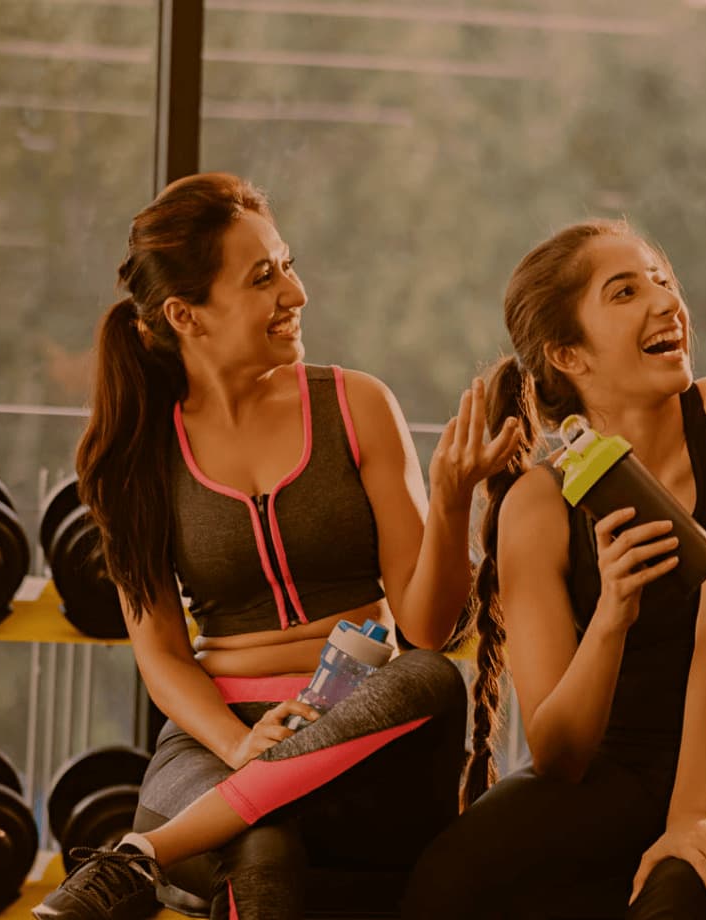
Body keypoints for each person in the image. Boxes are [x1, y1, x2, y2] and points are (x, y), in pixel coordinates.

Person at [35, 172, 518, 920]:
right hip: (214, 739)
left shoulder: (357, 406)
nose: (295, 293)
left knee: (430, 676)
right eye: (264, 277)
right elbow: (161, 655)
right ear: (185, 314)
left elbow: (425, 630)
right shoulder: (137, 454)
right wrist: (238, 746)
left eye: (287, 265)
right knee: (261, 846)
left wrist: (452, 500)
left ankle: (142, 856)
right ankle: (204, 820)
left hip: (366, 726)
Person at [401, 219, 706, 919]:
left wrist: (692, 814)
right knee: (451, 880)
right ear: (569, 353)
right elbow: (560, 752)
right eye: (625, 292)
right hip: (621, 762)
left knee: (687, 891)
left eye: (662, 279)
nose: (665, 302)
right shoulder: (539, 503)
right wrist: (611, 615)